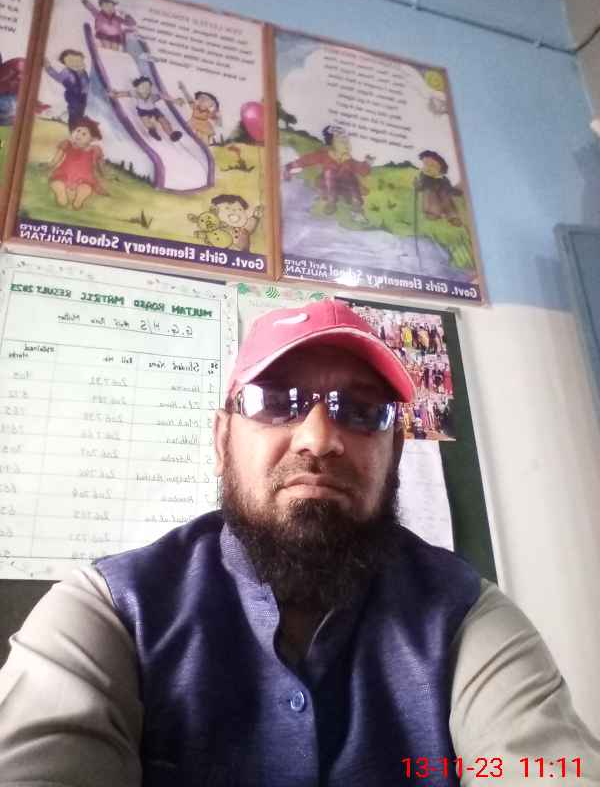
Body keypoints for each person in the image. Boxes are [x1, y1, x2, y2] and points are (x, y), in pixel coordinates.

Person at [0, 298, 598, 785]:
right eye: (275, 401)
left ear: (393, 452)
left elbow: (543, 767)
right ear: (222, 439)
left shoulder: (468, 620)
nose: (318, 438)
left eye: (360, 410)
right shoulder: (108, 613)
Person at [44, 49, 90, 130]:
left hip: (83, 96)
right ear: (66, 65)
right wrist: (48, 68)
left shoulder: (84, 72)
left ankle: (78, 124)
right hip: (72, 95)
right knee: (74, 111)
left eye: (78, 61)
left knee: (81, 111)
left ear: (82, 59)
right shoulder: (67, 72)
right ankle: (72, 126)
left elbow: (87, 85)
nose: (76, 64)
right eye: (70, 62)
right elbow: (57, 77)